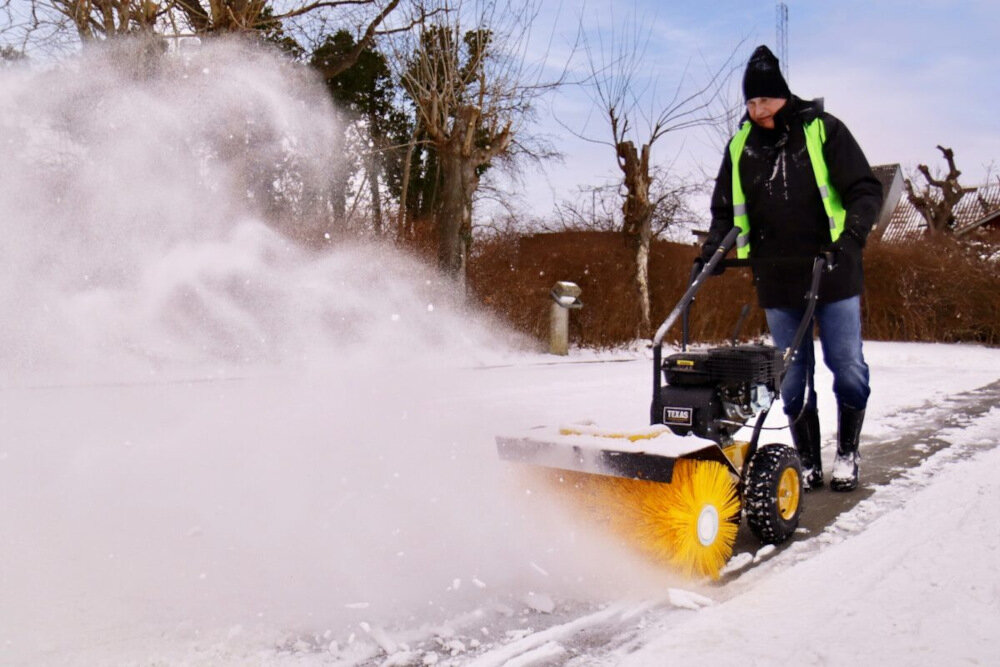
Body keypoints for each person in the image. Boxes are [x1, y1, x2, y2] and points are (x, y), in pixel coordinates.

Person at [699, 45, 883, 492]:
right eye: (750, 102)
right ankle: (806, 462)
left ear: (783, 97)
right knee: (793, 379)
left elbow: (865, 189)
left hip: (833, 271)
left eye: (764, 100)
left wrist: (852, 237)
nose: (756, 110)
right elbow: (725, 212)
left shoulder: (823, 130)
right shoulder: (740, 146)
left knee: (847, 366)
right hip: (777, 277)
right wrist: (713, 252)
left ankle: (846, 452)